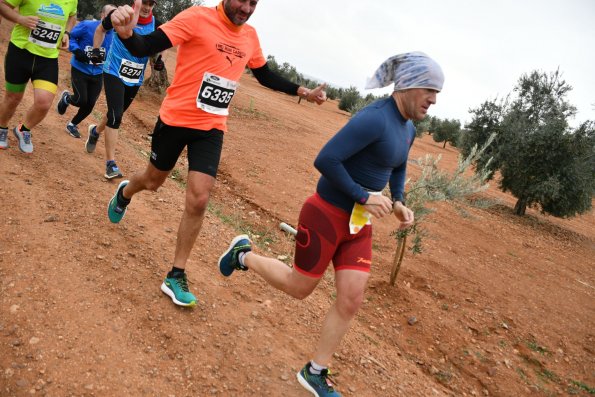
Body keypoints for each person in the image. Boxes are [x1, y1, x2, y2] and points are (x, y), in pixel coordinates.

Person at [218, 52, 444, 396]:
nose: (434, 99)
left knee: (351, 298)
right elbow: (325, 159)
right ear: (408, 85)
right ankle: (243, 255)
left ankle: (315, 371)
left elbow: (397, 166)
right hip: (325, 213)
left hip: (358, 224)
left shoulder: (408, 128)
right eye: (429, 89)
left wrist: (398, 201)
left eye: (437, 92)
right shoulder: (374, 119)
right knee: (299, 287)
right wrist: (364, 195)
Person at [105, 0, 326, 308]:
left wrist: (302, 91)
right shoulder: (196, 18)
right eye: (242, 0)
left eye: (254, 3)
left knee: (199, 198)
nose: (247, 8)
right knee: (153, 181)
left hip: (211, 127)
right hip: (175, 120)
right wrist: (128, 35)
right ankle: (125, 193)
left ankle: (176, 274)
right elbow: (147, 45)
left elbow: (265, 75)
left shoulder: (249, 36)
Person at [86, 0, 163, 179]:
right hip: (113, 71)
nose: (146, 7)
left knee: (115, 112)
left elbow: (161, 46)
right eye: (144, 2)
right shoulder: (120, 15)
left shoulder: (156, 25)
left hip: (135, 78)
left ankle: (95, 131)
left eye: (151, 4)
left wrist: (159, 60)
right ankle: (110, 164)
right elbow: (100, 30)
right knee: (116, 115)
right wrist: (96, 51)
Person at [0, 0, 77, 153]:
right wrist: (20, 19)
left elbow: (72, 16)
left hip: (48, 58)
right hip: (21, 52)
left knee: (44, 103)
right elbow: (3, 5)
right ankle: (2, 127)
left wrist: (67, 33)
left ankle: (23, 129)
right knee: (13, 98)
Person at [56, 4, 117, 139]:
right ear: (102, 15)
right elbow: (71, 37)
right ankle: (66, 98)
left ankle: (72, 124)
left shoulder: (115, 34)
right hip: (80, 69)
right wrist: (77, 51)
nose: (113, 19)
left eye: (116, 16)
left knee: (89, 105)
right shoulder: (87, 25)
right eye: (110, 15)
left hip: (98, 73)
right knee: (80, 99)